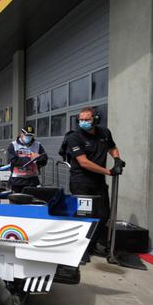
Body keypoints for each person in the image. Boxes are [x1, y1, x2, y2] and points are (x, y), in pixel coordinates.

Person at [66, 106, 125, 258]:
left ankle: (91, 245)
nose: (83, 122)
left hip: (98, 182)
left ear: (96, 120)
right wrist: (109, 171)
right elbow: (84, 162)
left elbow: (112, 147)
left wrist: (117, 159)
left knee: (103, 215)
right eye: (81, 120)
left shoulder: (105, 133)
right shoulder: (74, 137)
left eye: (87, 119)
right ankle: (80, 250)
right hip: (81, 182)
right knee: (84, 217)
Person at [7, 125, 48, 192]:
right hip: (17, 181)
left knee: (32, 200)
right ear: (21, 134)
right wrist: (31, 158)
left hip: (32, 180)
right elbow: (14, 160)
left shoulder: (37, 145)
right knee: (17, 200)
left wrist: (39, 160)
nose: (28, 137)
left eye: (30, 136)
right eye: (26, 135)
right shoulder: (13, 145)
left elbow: (44, 158)